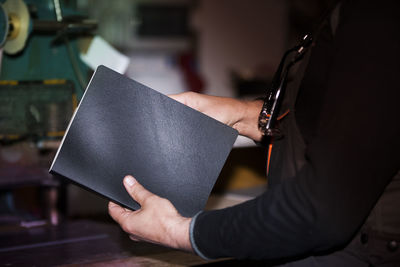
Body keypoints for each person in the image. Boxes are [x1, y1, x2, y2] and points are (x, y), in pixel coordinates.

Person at [108, 0, 400, 265]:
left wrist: (179, 232)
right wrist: (245, 116)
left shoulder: (377, 15)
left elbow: (322, 211)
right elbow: (340, 120)